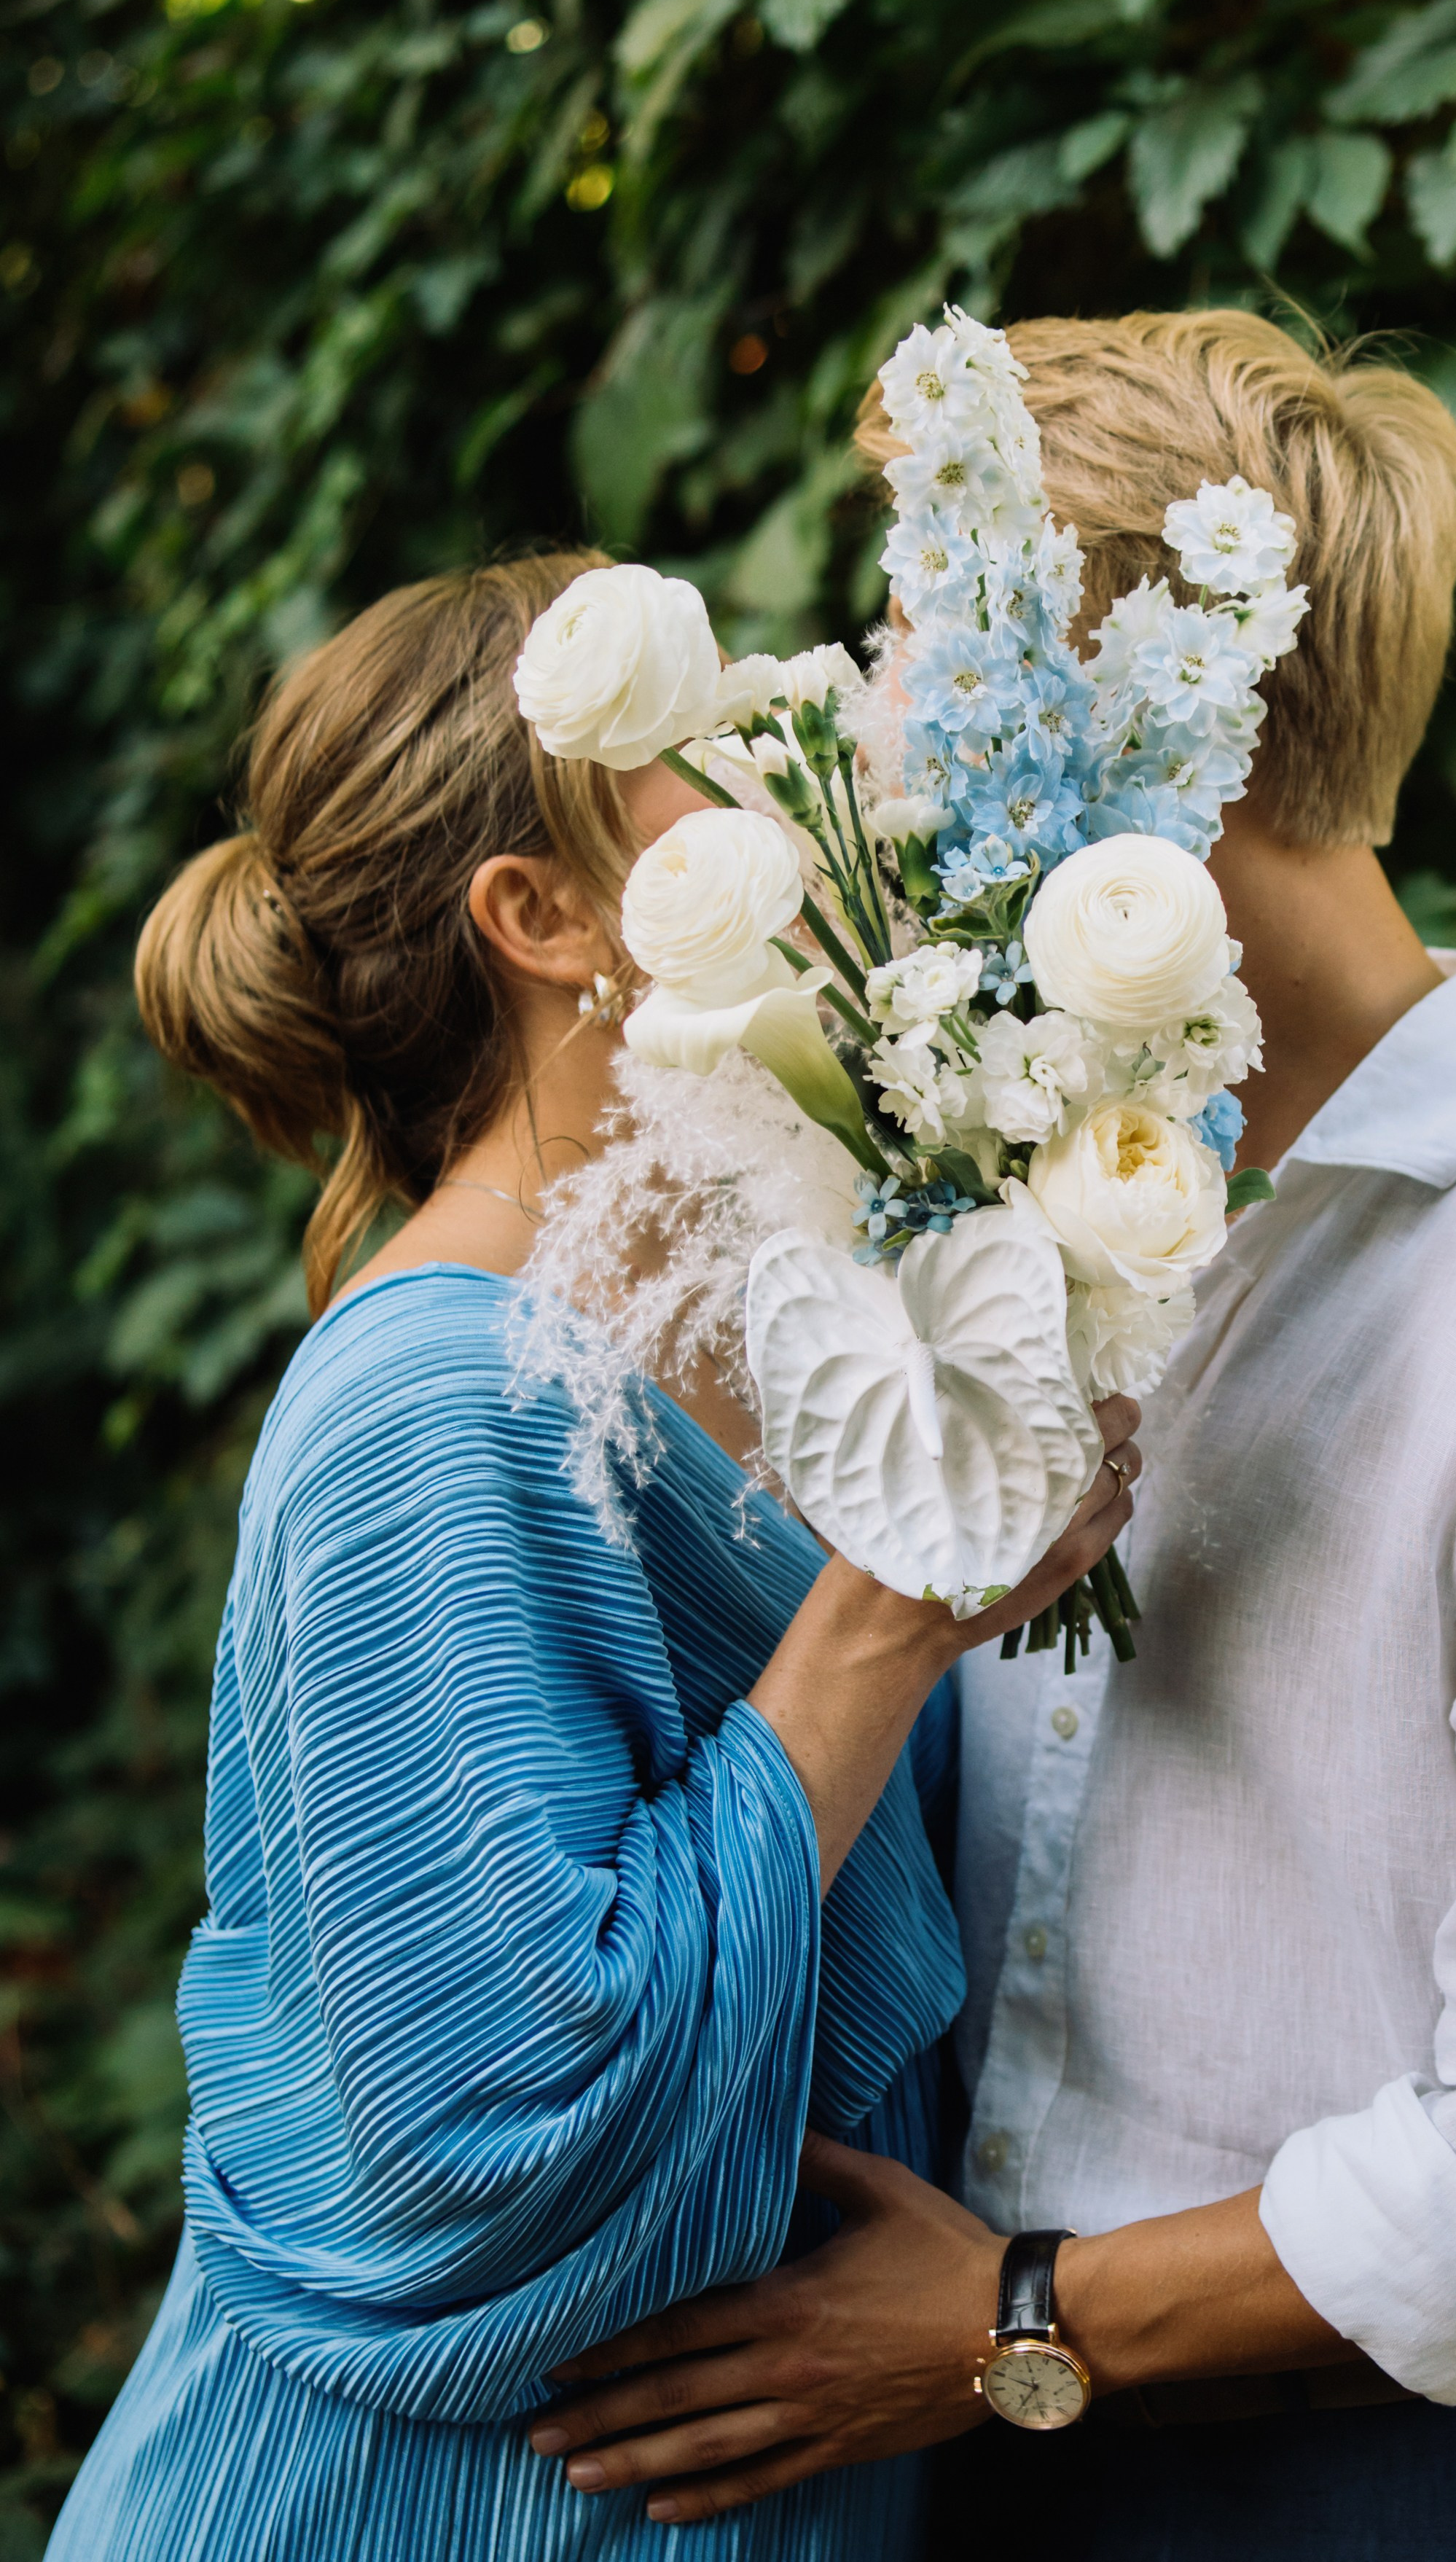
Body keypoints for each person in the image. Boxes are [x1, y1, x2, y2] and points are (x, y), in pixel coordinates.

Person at [525, 314, 1456, 2558]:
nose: (880, 760)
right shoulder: (1007, 1184)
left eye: (920, 668)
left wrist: (1004, 2313)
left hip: (1418, 2474)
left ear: (1107, 721)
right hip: (1007, 2426)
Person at [44, 554, 1140, 2562]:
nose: (806, 788)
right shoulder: (431, 1398)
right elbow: (487, 2127)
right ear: (544, 916)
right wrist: (885, 1617)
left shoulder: (777, 1314)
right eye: (715, 757)